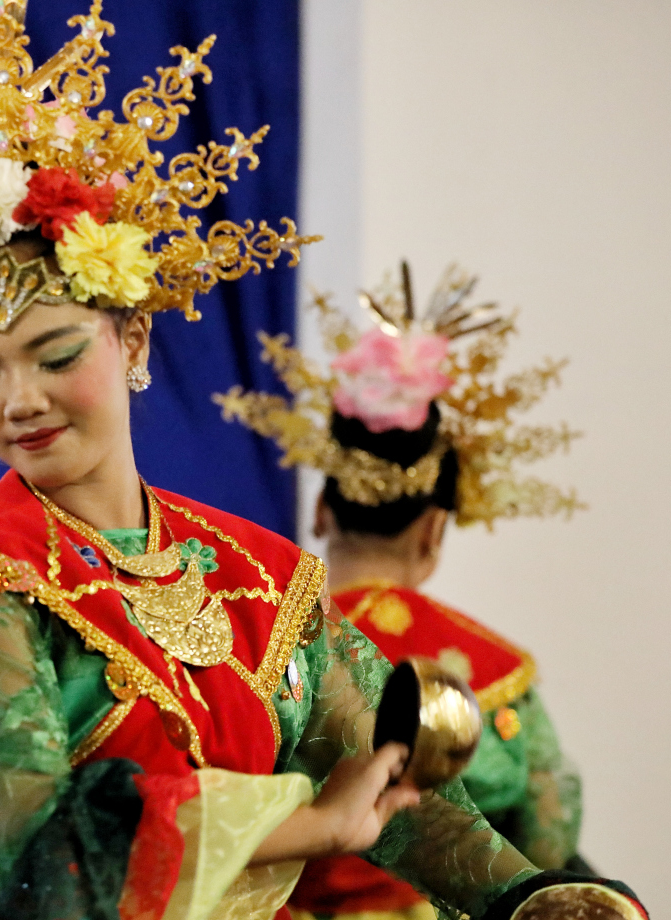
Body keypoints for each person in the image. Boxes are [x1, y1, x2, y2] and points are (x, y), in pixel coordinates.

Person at [0, 4, 645, 919]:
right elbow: (39, 838)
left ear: (135, 340)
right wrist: (314, 826)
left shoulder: (258, 575)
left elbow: (386, 790)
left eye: (57, 356)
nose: (19, 400)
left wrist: (528, 897)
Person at [218, 263, 591, 920]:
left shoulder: (252, 635)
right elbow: (549, 831)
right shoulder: (498, 672)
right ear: (434, 529)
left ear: (321, 512)